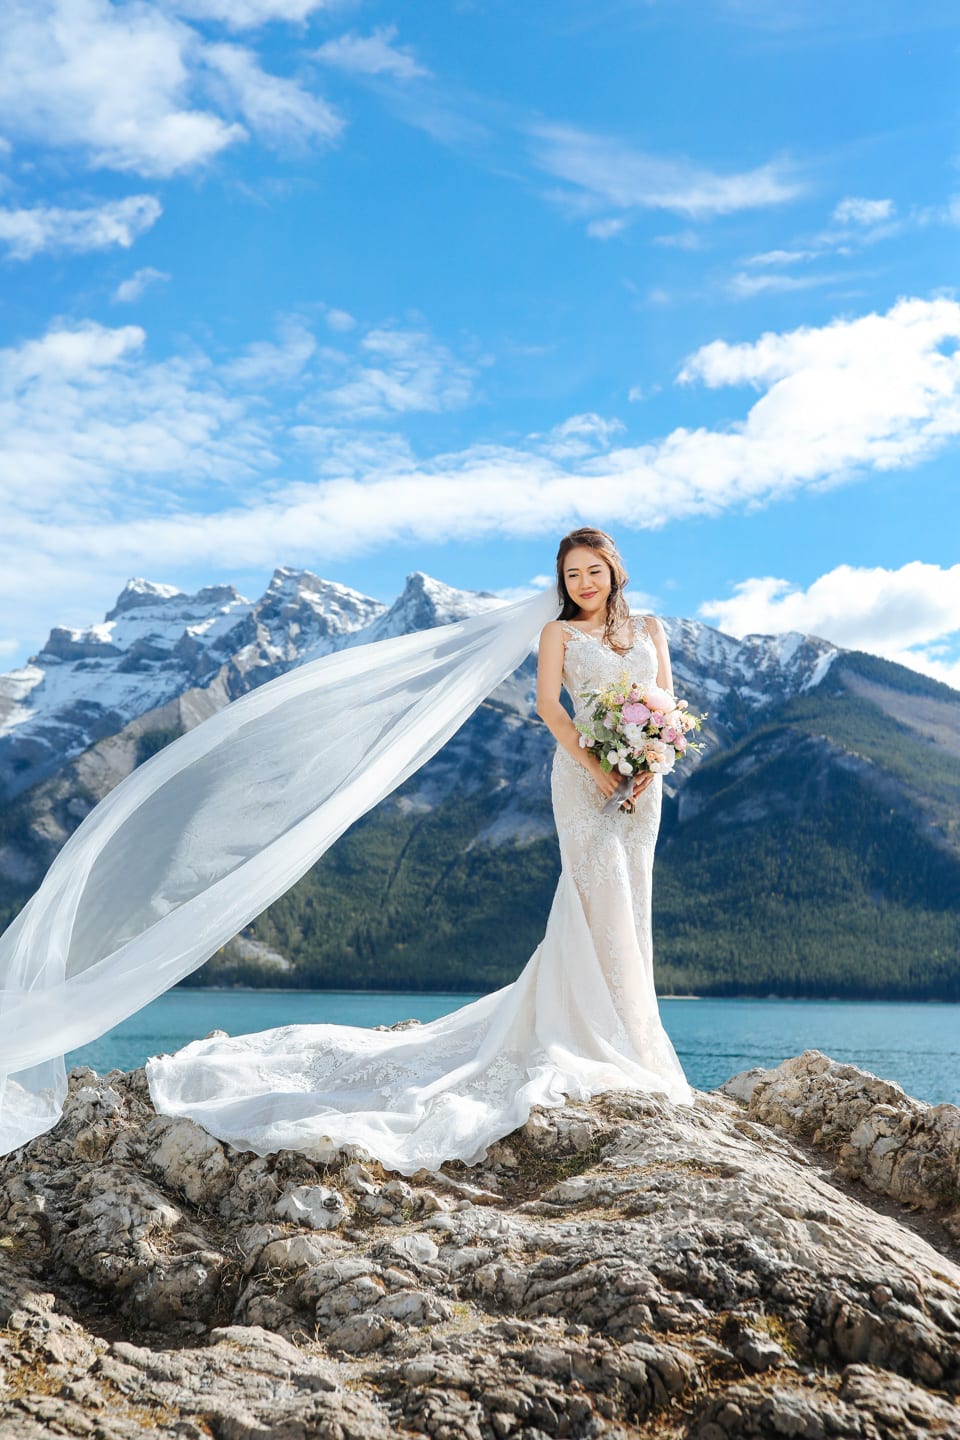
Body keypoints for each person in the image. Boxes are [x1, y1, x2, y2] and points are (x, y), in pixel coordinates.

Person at [0, 526, 691, 1166]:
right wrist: (601, 767)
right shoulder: (557, 636)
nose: (582, 583)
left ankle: (631, 1032)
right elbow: (548, 708)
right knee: (594, 898)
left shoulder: (651, 628)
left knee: (635, 901)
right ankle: (601, 1035)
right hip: (583, 778)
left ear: (614, 570)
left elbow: (664, 703)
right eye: (571, 574)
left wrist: (647, 764)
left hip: (643, 787)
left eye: (593, 571)